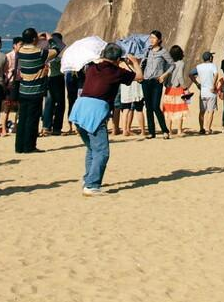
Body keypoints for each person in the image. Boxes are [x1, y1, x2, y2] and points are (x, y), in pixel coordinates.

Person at [69, 45, 140, 195]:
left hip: (80, 108)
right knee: (102, 151)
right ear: (117, 59)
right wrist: (135, 63)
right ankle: (92, 185)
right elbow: (139, 78)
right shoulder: (116, 71)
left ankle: (88, 179)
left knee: (92, 148)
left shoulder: (92, 68)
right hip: (96, 111)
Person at [14, 27, 49, 154]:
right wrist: (49, 37)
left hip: (23, 90)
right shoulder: (40, 52)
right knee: (32, 119)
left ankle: (19, 147)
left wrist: (34, 38)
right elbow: (58, 48)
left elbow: (24, 43)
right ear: (34, 39)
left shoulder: (20, 51)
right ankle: (29, 146)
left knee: (22, 118)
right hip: (35, 90)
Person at [140, 31, 172, 140]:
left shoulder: (163, 52)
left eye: (153, 38)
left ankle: (165, 131)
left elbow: (172, 65)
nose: (151, 40)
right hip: (146, 81)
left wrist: (164, 75)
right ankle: (151, 132)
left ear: (159, 40)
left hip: (157, 81)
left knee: (155, 107)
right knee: (148, 107)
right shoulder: (147, 51)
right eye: (150, 38)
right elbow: (142, 64)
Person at [40, 32, 66, 136]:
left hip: (49, 78)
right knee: (60, 104)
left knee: (49, 103)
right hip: (57, 78)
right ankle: (56, 128)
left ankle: (46, 126)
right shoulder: (56, 51)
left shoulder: (46, 51)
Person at [163, 44, 190, 136]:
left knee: (169, 110)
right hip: (178, 89)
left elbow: (166, 76)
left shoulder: (168, 63)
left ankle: (169, 130)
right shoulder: (181, 63)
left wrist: (166, 85)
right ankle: (179, 130)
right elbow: (180, 77)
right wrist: (184, 87)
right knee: (180, 109)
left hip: (168, 89)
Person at [190, 51, 219, 135]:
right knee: (210, 111)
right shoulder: (213, 66)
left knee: (202, 111)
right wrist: (213, 85)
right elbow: (216, 74)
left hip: (203, 91)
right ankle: (208, 129)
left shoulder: (199, 67)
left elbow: (190, 74)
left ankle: (201, 128)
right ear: (210, 58)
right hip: (211, 92)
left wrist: (197, 83)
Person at [2, 36, 21, 135]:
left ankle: (16, 127)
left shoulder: (23, 56)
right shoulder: (8, 56)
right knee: (7, 107)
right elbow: (4, 71)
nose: (21, 47)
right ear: (14, 45)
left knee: (19, 106)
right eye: (20, 44)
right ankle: (4, 128)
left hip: (19, 82)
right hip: (10, 83)